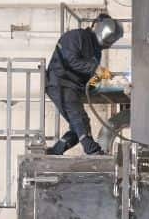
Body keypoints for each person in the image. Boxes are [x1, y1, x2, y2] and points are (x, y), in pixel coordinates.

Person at [44, 13, 123, 155]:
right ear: (96, 25)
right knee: (78, 118)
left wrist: (100, 80)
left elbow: (88, 80)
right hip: (60, 82)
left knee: (79, 127)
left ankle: (55, 151)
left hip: (73, 87)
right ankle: (92, 150)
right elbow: (71, 60)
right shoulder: (75, 36)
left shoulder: (96, 51)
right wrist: (95, 69)